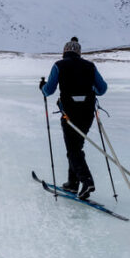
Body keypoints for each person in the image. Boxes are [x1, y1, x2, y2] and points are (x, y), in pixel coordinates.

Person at [40, 37, 107, 200]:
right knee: (76, 147)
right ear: (79, 52)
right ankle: (73, 183)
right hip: (87, 113)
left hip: (70, 113)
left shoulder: (59, 65)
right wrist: (88, 88)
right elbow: (102, 89)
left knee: (73, 149)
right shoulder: (90, 66)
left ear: (65, 51)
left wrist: (42, 87)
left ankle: (86, 181)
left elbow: (48, 91)